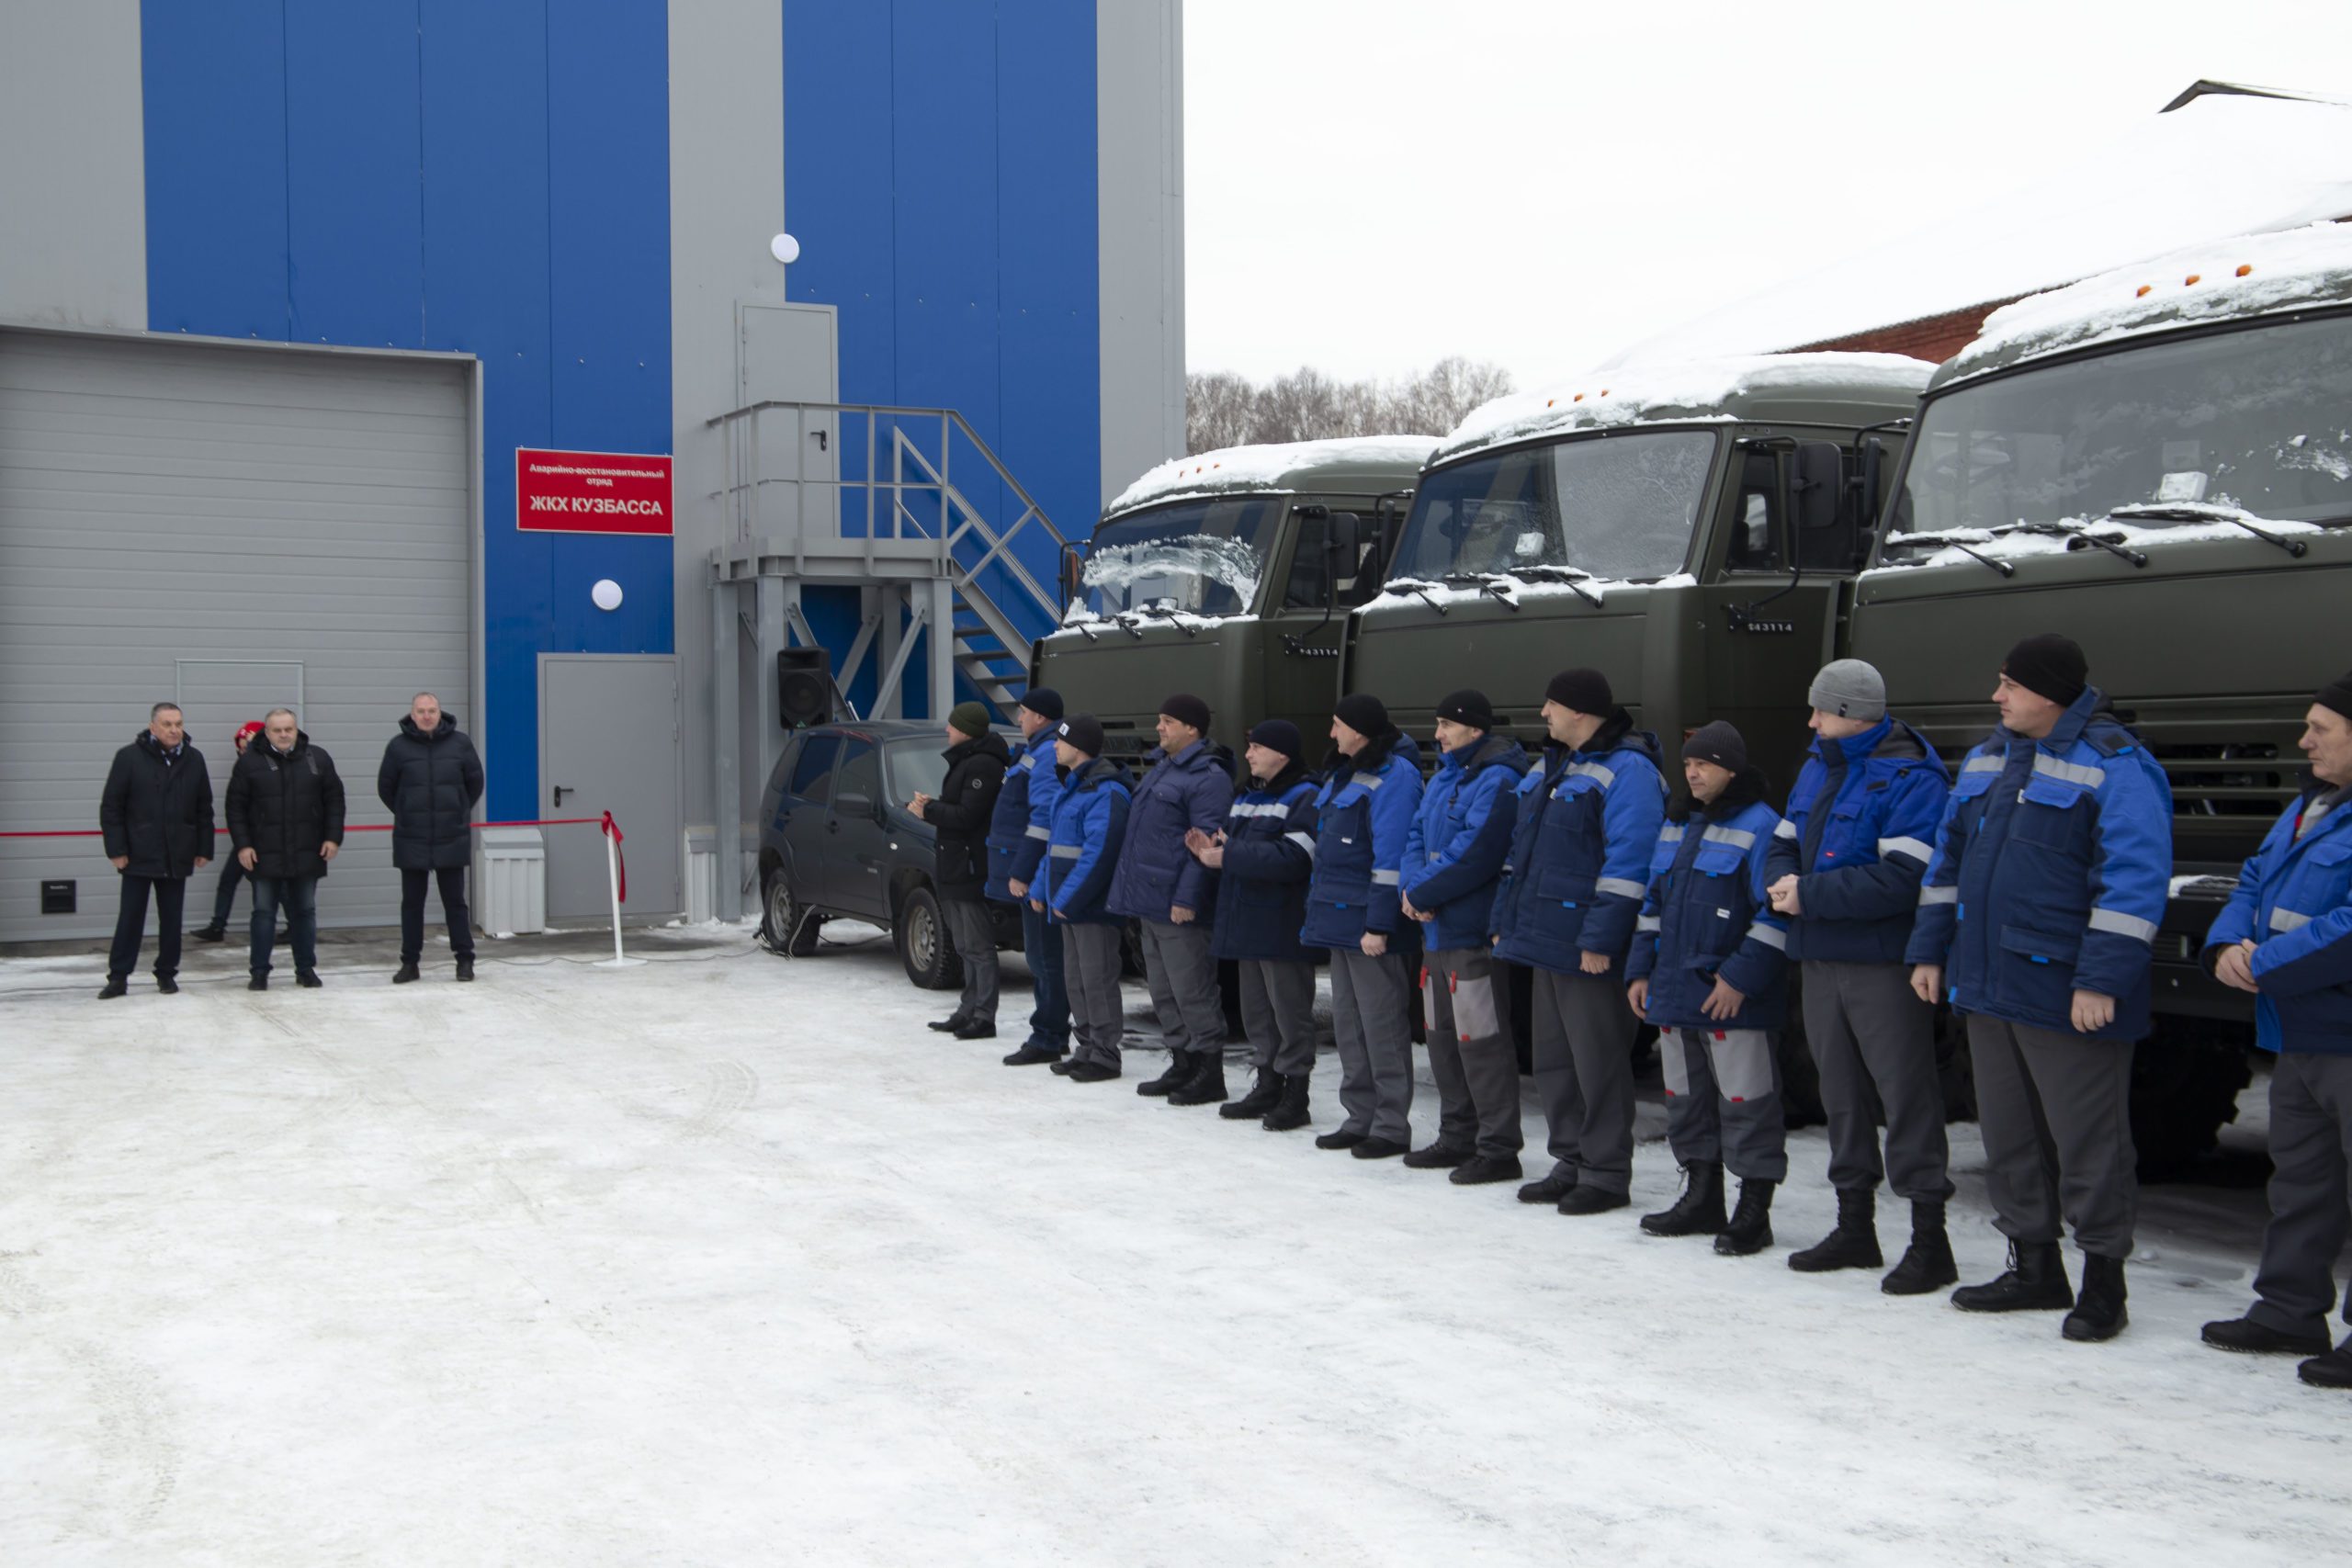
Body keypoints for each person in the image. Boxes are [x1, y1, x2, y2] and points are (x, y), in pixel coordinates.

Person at [1905, 634, 2172, 1342]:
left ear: (2049, 692)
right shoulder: (1989, 757)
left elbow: (2134, 882)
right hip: (1987, 983)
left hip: (2068, 992)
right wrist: (1931, 952)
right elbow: (1948, 858)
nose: (1997, 697)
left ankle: (2103, 1282)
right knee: (2010, 1136)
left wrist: (2102, 980)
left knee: (2090, 1143)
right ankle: (2033, 1265)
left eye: (2009, 685)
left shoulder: (2118, 764)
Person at [1765, 660, 1959, 1292]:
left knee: (1905, 1096)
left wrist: (1809, 893)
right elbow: (1784, 836)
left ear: (1850, 713)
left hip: (1879, 962)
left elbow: (1905, 878)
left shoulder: (1912, 777)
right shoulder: (1821, 763)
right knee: (1840, 1096)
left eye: (1821, 711)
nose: (1813, 721)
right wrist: (1784, 881)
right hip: (1819, 955)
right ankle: (1856, 1227)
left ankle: (1930, 1240)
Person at [2199, 671, 2352, 1387]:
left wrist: (2265, 963)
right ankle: (2289, 1307)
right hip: (2301, 1029)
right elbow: (2255, 877)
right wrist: (2227, 945)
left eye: (2321, 727)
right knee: (2302, 1181)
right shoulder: (2311, 805)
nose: (2304, 739)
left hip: (2338, 1025)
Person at [1493, 669, 1667, 1216]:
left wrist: (1601, 939)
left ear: (1580, 711)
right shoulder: (1558, 767)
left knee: (1598, 1062)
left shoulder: (1629, 771)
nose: (1543, 714)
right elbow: (1522, 858)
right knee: (1553, 1061)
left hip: (1587, 947)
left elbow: (1630, 864)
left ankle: (1606, 1172)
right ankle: (1570, 1159)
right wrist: (1507, 921)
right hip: (1545, 938)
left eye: (1551, 705)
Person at [1627, 721, 1794, 1255]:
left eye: (1703, 764)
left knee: (1747, 1104)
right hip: (1676, 992)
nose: (1692, 773)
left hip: (1730, 999)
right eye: (1688, 764)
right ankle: (1703, 1197)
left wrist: (1739, 979)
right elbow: (1652, 906)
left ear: (1730, 769)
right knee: (1687, 1100)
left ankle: (1753, 1212)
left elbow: (1775, 915)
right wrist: (1640, 972)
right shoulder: (1679, 824)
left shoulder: (1762, 826)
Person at [1398, 690, 1528, 1184]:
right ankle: (1457, 1135)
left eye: (1446, 725)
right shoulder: (1445, 776)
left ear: (1474, 730)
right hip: (1434, 933)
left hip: (1471, 934)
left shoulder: (1498, 780)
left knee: (1482, 1043)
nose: (1438, 735)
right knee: (1442, 1038)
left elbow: (1476, 852)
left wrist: (1424, 890)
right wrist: (1413, 889)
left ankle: (1498, 1147)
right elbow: (1415, 836)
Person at [1301, 693, 1423, 1159]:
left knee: (1382, 1025)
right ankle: (1360, 1117)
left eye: (1337, 725)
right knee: (1350, 1025)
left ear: (1360, 730)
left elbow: (1390, 859)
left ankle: (1391, 1126)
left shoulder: (1397, 776)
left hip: (1371, 928)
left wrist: (1379, 924)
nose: (1331, 733)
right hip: (1337, 919)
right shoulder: (1342, 773)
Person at [1190, 717, 1322, 1132]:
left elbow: (1295, 858)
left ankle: (1296, 1094)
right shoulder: (1248, 794)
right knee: (1258, 1014)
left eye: (1256, 748)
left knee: (1290, 1013)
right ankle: (1268, 1083)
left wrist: (1228, 856)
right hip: (1247, 922)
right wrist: (1213, 850)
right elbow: (1237, 846)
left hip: (1281, 926)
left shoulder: (1306, 796)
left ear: (1281, 753)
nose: (1248, 755)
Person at [1108, 694, 1237, 1103]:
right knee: (1163, 991)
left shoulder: (1207, 777)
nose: (1159, 727)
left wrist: (1187, 899)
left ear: (1192, 729)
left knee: (1192, 989)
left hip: (1179, 907)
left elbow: (1204, 846)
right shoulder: (1163, 770)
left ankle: (1208, 1071)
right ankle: (1182, 1062)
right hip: (1149, 901)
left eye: (1167, 721)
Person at [1032, 716, 1132, 1082]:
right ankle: (1086, 1047)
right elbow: (1056, 847)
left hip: (1092, 906)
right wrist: (1042, 888)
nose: (1054, 747)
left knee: (1097, 978)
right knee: (1076, 978)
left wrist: (1067, 898)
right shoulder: (1073, 787)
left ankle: (1105, 1054)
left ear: (1080, 747)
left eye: (1061, 741)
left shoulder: (1106, 791)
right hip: (1068, 904)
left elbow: (1100, 852)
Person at [97, 702, 215, 998]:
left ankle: (166, 973)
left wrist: (203, 847)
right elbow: (112, 807)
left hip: (177, 854)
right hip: (137, 853)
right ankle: (119, 977)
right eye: (167, 724)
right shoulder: (128, 758)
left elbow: (204, 808)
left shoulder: (194, 759)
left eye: (178, 723)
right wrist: (116, 849)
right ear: (153, 727)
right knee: (130, 918)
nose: (174, 730)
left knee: (172, 919)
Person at [225, 707, 346, 991]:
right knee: (263, 913)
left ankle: (305, 969)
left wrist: (333, 838)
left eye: (288, 729)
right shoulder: (249, 763)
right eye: (277, 730)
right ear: (266, 733)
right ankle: (259, 972)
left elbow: (335, 801)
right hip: (263, 854)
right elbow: (235, 808)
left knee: (304, 911)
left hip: (308, 851)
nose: (283, 735)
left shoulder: (317, 758)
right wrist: (243, 844)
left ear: (296, 730)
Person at [910, 701, 1011, 1040]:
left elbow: (969, 815)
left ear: (966, 730)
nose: (947, 730)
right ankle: (968, 1009)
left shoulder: (983, 764)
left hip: (970, 865)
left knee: (978, 945)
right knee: (964, 943)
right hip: (954, 863)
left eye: (952, 725)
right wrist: (932, 807)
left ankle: (984, 1015)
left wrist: (929, 811)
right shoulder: (967, 760)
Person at [989, 688, 1073, 1066]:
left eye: (1023, 713)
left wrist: (1023, 872)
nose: (1019, 719)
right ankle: (1050, 1033)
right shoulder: (1036, 750)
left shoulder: (1044, 755)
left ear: (1040, 717)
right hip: (1033, 870)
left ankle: (1050, 1036)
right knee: (1042, 957)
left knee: (1044, 959)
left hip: (1038, 873)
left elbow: (1043, 821)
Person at [378, 692, 484, 984]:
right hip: (411, 837)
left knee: (455, 903)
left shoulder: (460, 744)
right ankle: (409, 963)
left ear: (440, 713)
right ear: (412, 714)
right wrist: (407, 812)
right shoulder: (398, 747)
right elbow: (386, 788)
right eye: (421, 711)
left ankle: (464, 961)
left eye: (432, 710)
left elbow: (475, 782)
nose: (427, 716)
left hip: (451, 835)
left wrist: (458, 811)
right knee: (412, 904)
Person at [192, 720, 266, 942]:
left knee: (265, 886)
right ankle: (217, 926)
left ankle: (288, 925)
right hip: (245, 839)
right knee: (228, 879)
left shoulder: (267, 766)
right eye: (241, 747)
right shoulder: (243, 768)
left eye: (249, 746)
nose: (244, 751)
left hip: (263, 838)